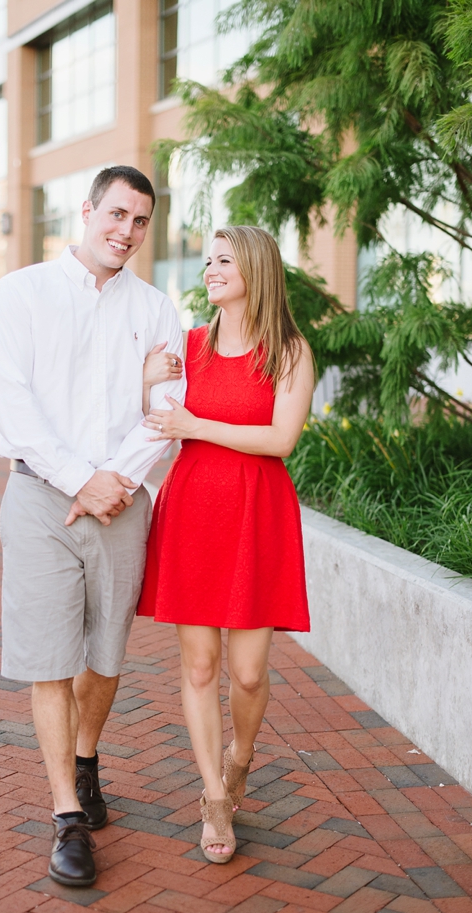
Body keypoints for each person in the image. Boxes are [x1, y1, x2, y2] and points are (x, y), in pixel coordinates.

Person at [0, 166, 186, 887]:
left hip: (124, 503)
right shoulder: (23, 293)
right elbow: (13, 403)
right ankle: (67, 814)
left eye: (140, 222)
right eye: (117, 215)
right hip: (41, 499)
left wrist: (117, 479)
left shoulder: (157, 309)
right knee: (50, 660)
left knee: (106, 654)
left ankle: (87, 754)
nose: (126, 232)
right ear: (88, 210)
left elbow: (167, 409)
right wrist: (79, 479)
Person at [138, 225, 313, 864]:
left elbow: (280, 440)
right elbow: (146, 420)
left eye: (223, 261)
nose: (210, 270)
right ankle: (214, 796)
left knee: (248, 671)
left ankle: (241, 754)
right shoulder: (188, 348)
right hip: (194, 511)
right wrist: (145, 381)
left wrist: (197, 424)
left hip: (257, 515)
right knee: (199, 667)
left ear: (256, 270)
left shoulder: (289, 351)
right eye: (208, 260)